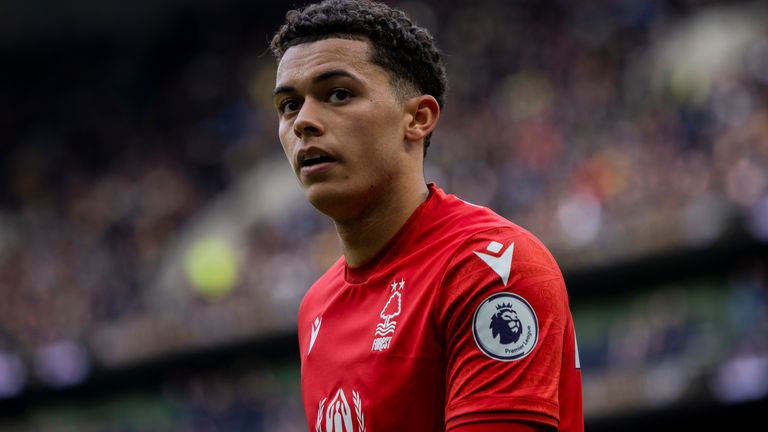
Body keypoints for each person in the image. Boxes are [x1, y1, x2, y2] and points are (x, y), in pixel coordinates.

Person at [269, 0, 583, 430]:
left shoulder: (493, 265)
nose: (303, 121)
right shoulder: (315, 308)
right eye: (288, 105)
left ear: (418, 118)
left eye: (338, 94)